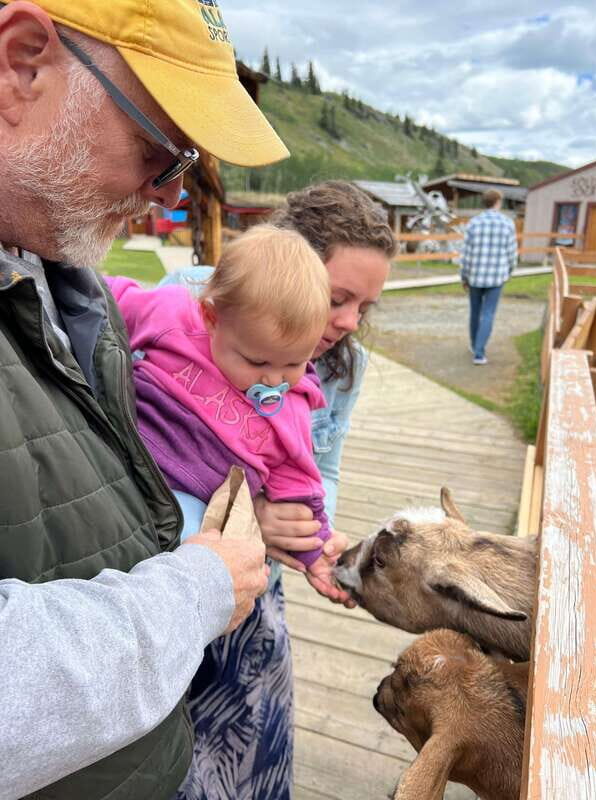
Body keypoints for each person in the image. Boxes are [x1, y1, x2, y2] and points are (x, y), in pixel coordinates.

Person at [0, 0, 288, 797]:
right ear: (22, 62)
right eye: (159, 152)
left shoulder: (59, 267)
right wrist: (196, 594)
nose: (165, 196)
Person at [159, 181, 396, 800]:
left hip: (256, 580)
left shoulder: (344, 368)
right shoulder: (200, 303)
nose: (346, 323)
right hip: (172, 565)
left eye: (363, 308)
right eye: (337, 298)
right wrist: (249, 512)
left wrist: (311, 532)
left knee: (253, 740)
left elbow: (327, 467)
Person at [106, 224, 338, 587]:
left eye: (294, 364)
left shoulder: (292, 404)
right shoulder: (174, 318)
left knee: (206, 556)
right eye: (257, 362)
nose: (274, 380)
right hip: (116, 458)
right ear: (212, 318)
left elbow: (300, 485)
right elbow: (107, 299)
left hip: (193, 507)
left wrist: (316, 553)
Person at [460, 188, 518, 365]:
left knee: (475, 312)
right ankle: (479, 353)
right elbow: (512, 253)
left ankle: (474, 345)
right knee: (488, 313)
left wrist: (464, 276)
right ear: (498, 202)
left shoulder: (473, 223)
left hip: (475, 276)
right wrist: (509, 271)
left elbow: (466, 254)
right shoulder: (507, 223)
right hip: (496, 277)